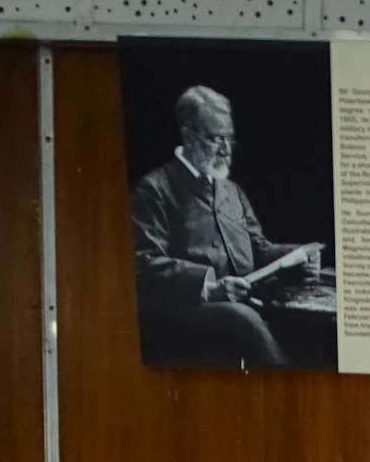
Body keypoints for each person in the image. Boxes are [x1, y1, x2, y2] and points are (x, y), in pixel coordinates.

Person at [129, 84, 324, 369]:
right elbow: (143, 264)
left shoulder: (232, 191)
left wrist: (299, 255)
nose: (225, 149)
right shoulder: (155, 188)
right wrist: (209, 288)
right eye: (214, 138)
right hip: (189, 308)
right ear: (188, 135)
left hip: (248, 298)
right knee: (243, 321)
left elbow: (258, 248)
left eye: (229, 139)